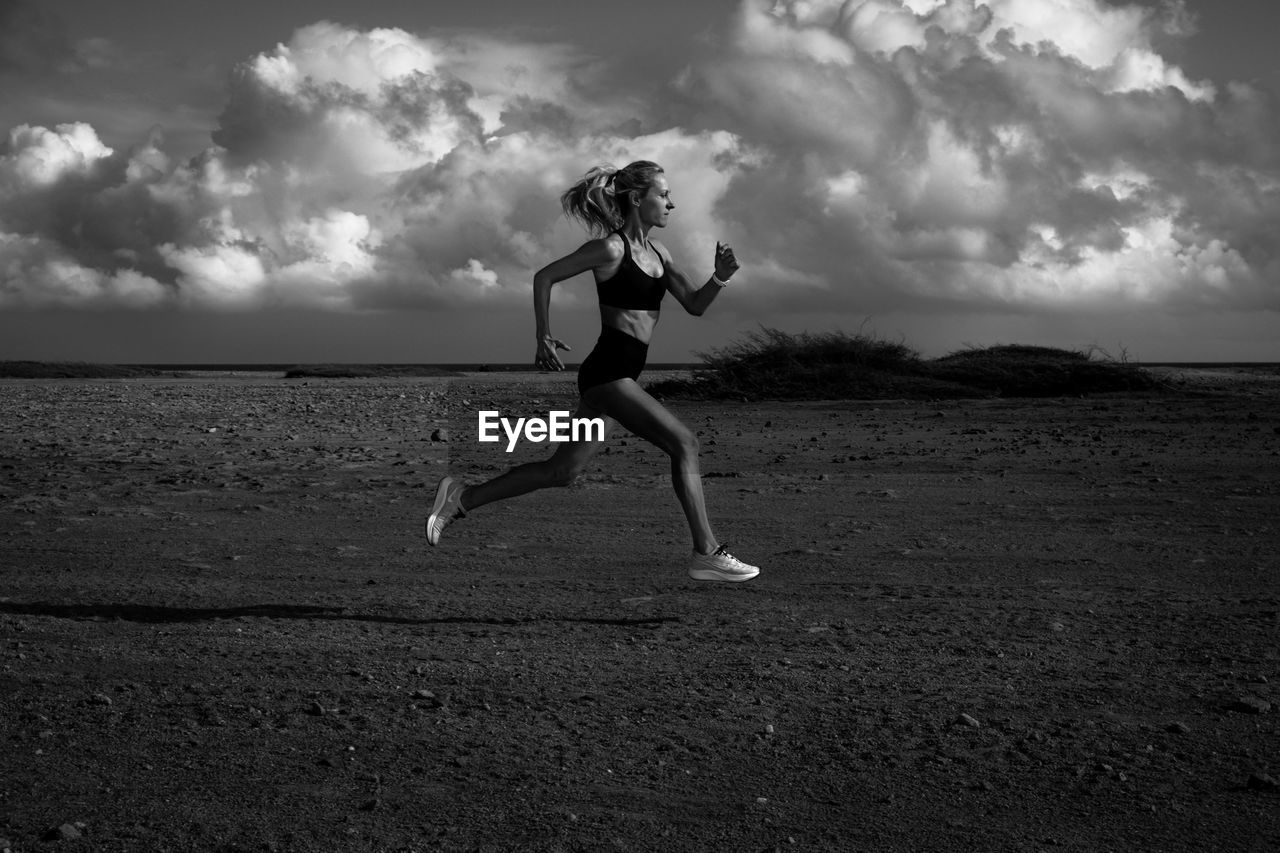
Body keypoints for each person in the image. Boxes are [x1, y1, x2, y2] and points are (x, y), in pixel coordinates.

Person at [425, 160, 759, 582]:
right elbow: (544, 277)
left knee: (561, 472)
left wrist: (720, 278)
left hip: (619, 378)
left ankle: (460, 497)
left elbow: (694, 304)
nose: (671, 203)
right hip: (607, 374)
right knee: (684, 443)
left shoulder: (660, 254)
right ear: (638, 199)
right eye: (664, 195)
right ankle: (707, 551)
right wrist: (543, 335)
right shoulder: (610, 250)